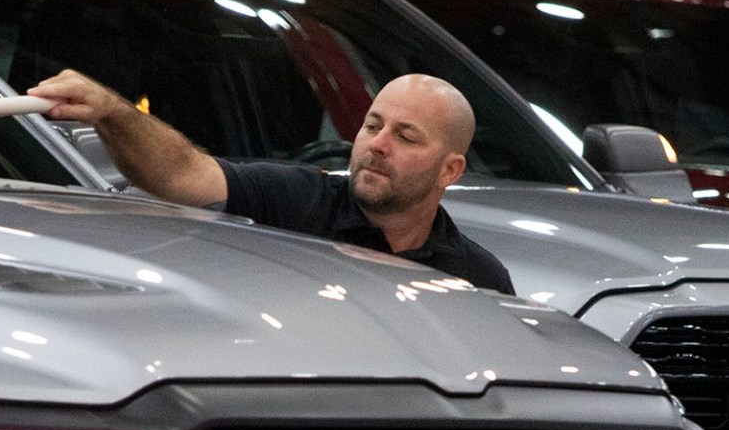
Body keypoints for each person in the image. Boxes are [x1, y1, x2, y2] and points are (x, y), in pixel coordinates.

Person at [26, 69, 515, 294]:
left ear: (450, 170)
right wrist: (113, 112)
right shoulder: (293, 202)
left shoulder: (478, 279)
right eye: (372, 125)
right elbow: (182, 174)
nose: (377, 145)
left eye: (406, 137)